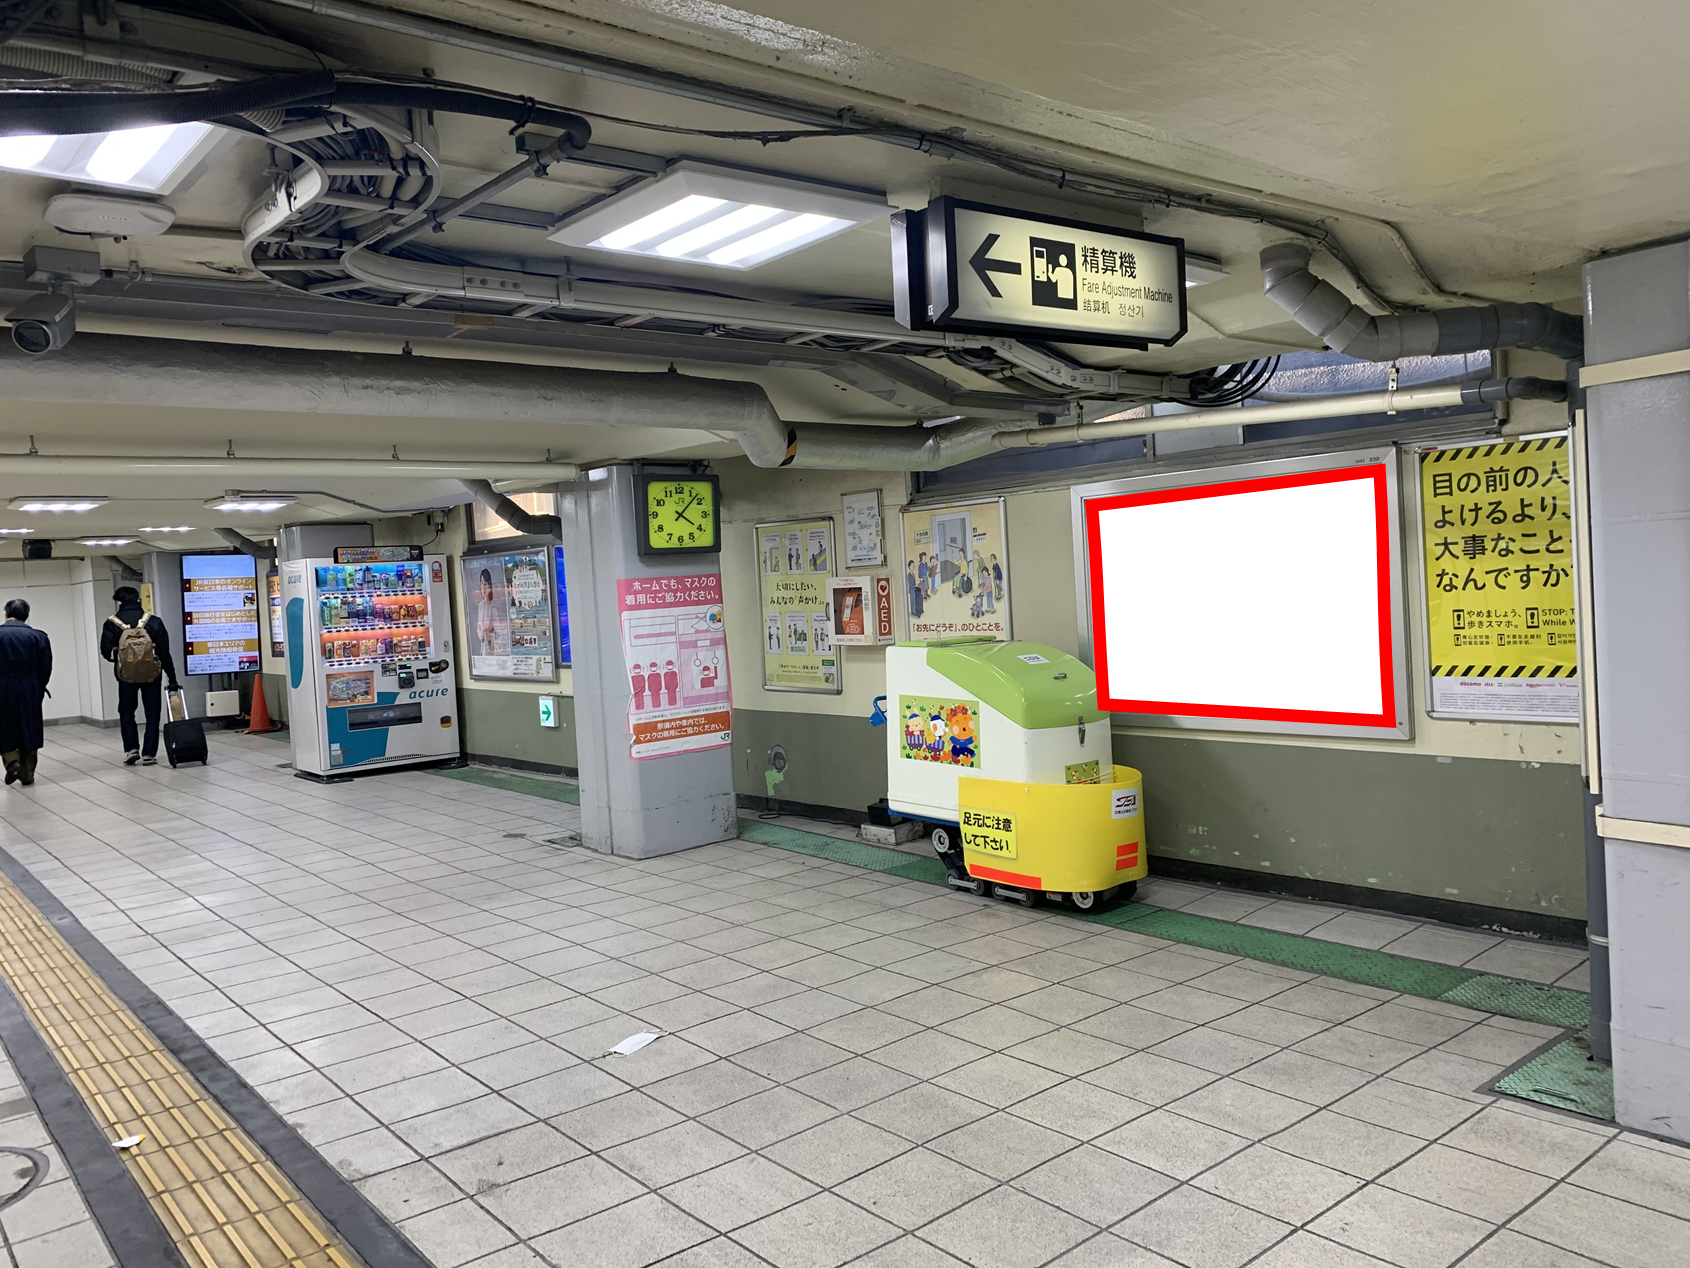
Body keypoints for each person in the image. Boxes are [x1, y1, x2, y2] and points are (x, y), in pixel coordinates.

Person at [99, 587, 178, 766]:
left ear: (118, 602)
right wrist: (172, 678)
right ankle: (149, 753)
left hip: (126, 676)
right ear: (138, 600)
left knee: (126, 711)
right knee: (152, 713)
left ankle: (131, 749)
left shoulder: (112, 623)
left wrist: (124, 659)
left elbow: (105, 651)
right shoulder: (154, 621)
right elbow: (165, 653)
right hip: (152, 674)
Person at [0, 600, 51, 787]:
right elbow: (45, 667)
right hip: (30, 686)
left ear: (6, 613)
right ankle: (27, 775)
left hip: (2, 685)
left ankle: (12, 761)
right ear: (27, 615)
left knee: (4, 725)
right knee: (29, 727)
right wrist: (38, 686)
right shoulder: (38, 636)